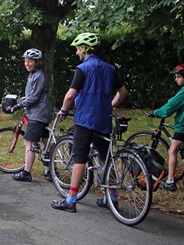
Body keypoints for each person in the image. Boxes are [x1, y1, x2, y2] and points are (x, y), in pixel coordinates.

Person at [50, 32, 128, 212]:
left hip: (85, 119)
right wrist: (110, 106)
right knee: (106, 158)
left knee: (79, 158)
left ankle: (70, 200)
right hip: (103, 119)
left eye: (78, 49)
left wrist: (63, 110)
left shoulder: (83, 69)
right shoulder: (110, 68)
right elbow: (123, 91)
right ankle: (113, 197)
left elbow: (70, 95)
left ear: (84, 49)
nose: (77, 53)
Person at [10, 48, 52, 182]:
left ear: (37, 62)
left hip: (37, 114)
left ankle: (26, 173)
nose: (27, 63)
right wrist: (24, 99)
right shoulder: (34, 74)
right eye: (26, 61)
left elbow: (34, 97)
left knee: (29, 142)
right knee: (46, 142)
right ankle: (52, 170)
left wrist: (18, 105)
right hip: (39, 112)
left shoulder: (39, 75)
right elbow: (32, 94)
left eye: (31, 61)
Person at [151, 64, 184, 192]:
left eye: (178, 77)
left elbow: (172, 105)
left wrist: (156, 112)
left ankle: (170, 181)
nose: (176, 79)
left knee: (172, 151)